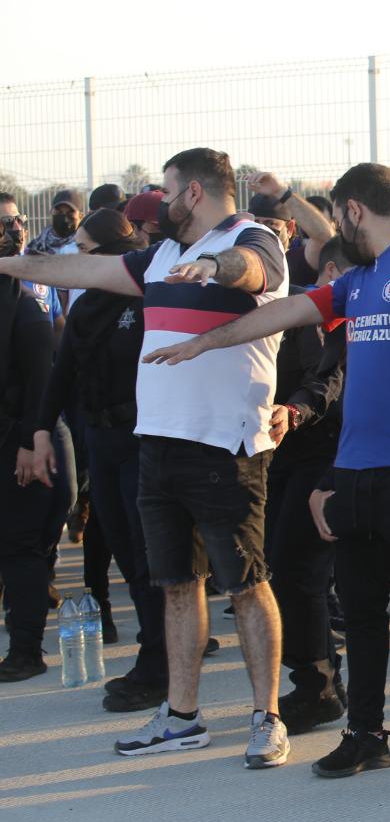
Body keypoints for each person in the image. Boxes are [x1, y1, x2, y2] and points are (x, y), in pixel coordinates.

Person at [142, 161, 390, 791]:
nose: (335, 229)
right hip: (355, 472)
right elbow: (282, 313)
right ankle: (366, 734)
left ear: (353, 211)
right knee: (362, 613)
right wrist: (206, 342)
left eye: (338, 216)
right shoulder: (357, 281)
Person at [0, 148, 294, 769]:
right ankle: (182, 717)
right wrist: (8, 263)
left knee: (245, 585)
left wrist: (213, 265)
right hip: (156, 441)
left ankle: (268, 716)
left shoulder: (254, 235)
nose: (156, 202)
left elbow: (251, 272)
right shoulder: (159, 255)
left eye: (165, 190)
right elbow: (81, 272)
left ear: (191, 192)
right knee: (176, 586)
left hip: (225, 446)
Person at [25, 209, 160, 708]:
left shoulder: (148, 300)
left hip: (143, 440)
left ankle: (159, 660)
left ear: (107, 256)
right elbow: (62, 373)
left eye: (82, 251)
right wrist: (41, 429)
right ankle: (157, 646)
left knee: (149, 557)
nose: (73, 260)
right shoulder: (85, 308)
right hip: (101, 440)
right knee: (124, 548)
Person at [257, 226, 349, 736]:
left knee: (299, 573)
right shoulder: (268, 310)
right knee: (291, 573)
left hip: (325, 457)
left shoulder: (310, 314)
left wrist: (294, 411)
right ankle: (324, 680)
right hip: (285, 459)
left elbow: (328, 380)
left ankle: (317, 687)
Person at [0, 218, 56, 682]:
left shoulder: (22, 301)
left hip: (14, 441)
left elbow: (41, 376)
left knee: (19, 546)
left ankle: (25, 650)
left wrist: (28, 442)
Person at [247, 172, 335, 286]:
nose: (262, 228)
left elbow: (325, 236)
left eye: (270, 223)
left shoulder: (297, 259)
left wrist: (280, 191)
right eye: (256, 222)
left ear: (290, 228)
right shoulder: (247, 260)